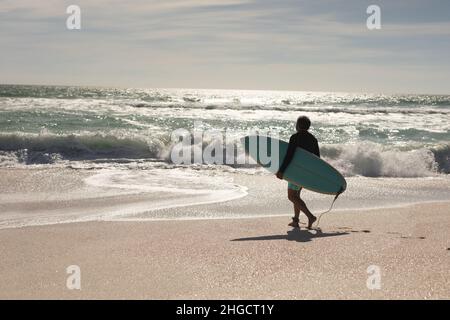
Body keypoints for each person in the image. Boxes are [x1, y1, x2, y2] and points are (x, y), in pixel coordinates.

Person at [276, 116, 320, 229]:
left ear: (298, 125)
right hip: (305, 172)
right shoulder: (313, 139)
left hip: (295, 172)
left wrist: (281, 171)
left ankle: (310, 216)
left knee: (291, 196)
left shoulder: (295, 137)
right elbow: (317, 159)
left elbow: (289, 156)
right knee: (297, 196)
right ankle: (295, 220)